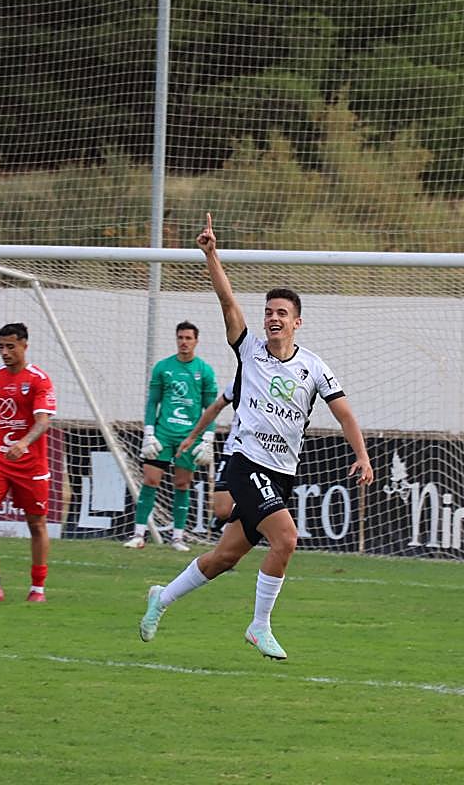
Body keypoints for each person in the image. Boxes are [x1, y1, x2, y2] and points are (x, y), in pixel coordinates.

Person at [138, 214, 374, 660]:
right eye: (268, 312)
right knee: (286, 539)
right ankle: (259, 625)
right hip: (247, 462)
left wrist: (361, 455)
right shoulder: (249, 350)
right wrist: (211, 254)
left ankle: (160, 598)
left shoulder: (314, 367)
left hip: (282, 472)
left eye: (282, 313)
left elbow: (343, 413)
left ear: (297, 322)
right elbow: (227, 301)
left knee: (223, 558)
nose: (273, 318)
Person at [0, 323, 57, 603]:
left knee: (36, 524)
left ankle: (37, 588)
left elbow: (43, 421)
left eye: (10, 346)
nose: (5, 352)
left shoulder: (39, 380)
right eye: (1, 347)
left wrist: (24, 442)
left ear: (24, 346)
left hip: (31, 463)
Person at [123, 321, 219, 552]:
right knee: (150, 480)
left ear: (196, 341)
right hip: (163, 433)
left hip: (189, 436)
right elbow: (153, 402)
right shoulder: (163, 367)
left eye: (188, 338)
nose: (184, 342)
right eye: (180, 338)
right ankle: (138, 534)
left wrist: (208, 438)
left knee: (182, 484)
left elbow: (211, 408)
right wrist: (149, 432)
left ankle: (177, 537)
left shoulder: (204, 371)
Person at [178, 382, 235, 525]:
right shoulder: (240, 381)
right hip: (234, 451)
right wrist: (193, 436)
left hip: (263, 456)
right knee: (222, 511)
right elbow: (216, 407)